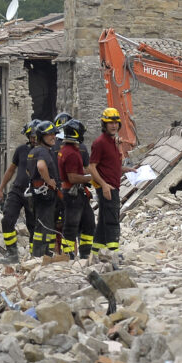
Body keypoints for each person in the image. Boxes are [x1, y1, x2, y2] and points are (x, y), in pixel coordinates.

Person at [0, 120, 41, 261]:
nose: (33, 139)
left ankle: (35, 256)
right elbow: (11, 170)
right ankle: (12, 253)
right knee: (7, 220)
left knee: (33, 225)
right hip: (17, 190)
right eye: (31, 136)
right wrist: (1, 188)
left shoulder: (44, 152)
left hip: (34, 193)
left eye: (36, 136)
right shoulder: (21, 150)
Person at [57, 120, 97, 259]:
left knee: (89, 222)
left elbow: (78, 170)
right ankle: (68, 255)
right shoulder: (71, 153)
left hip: (77, 193)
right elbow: (73, 177)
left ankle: (85, 253)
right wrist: (90, 178)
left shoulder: (68, 150)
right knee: (71, 225)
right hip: (73, 194)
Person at [90, 107, 125, 253]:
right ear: (104, 125)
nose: (114, 125)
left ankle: (96, 252)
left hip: (113, 185)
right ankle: (114, 254)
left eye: (116, 123)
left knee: (104, 221)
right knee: (112, 220)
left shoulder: (113, 142)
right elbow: (92, 167)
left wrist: (127, 170)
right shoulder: (100, 143)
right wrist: (104, 185)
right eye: (110, 123)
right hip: (107, 187)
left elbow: (111, 165)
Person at [26, 121, 63, 257]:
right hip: (45, 194)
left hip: (37, 193)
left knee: (40, 225)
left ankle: (40, 253)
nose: (53, 137)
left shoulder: (33, 151)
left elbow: (28, 172)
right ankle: (42, 255)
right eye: (50, 134)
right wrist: (49, 181)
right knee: (46, 225)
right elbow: (41, 167)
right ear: (42, 137)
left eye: (54, 134)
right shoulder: (43, 152)